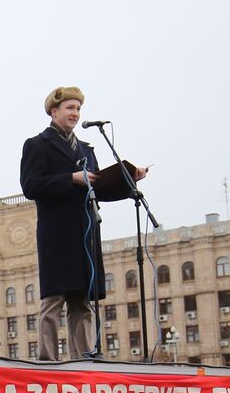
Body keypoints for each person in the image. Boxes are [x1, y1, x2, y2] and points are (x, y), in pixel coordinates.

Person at [20, 87, 145, 360]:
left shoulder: (87, 149)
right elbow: (31, 185)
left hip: (85, 233)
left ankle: (82, 358)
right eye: (69, 108)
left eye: (78, 108)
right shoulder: (37, 144)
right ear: (54, 111)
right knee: (54, 299)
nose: (75, 113)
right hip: (57, 233)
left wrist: (129, 179)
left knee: (82, 300)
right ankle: (48, 360)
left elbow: (98, 188)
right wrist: (70, 178)